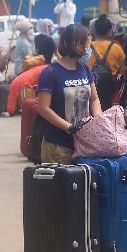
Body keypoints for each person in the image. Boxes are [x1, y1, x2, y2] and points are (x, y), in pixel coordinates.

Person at [37, 23, 102, 164]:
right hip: (58, 147)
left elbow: (94, 99)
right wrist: (69, 127)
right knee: (61, 186)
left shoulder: (85, 69)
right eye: (88, 45)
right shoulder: (49, 73)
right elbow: (43, 108)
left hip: (84, 143)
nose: (89, 49)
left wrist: (98, 119)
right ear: (78, 45)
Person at [6, 34, 56, 115]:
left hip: (23, 83)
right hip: (25, 85)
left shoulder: (37, 60)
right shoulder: (46, 66)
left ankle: (12, 109)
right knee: (30, 112)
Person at [86, 14, 126, 110]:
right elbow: (122, 71)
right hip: (112, 92)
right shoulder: (116, 47)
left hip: (91, 90)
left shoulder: (87, 48)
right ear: (110, 31)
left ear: (94, 31)